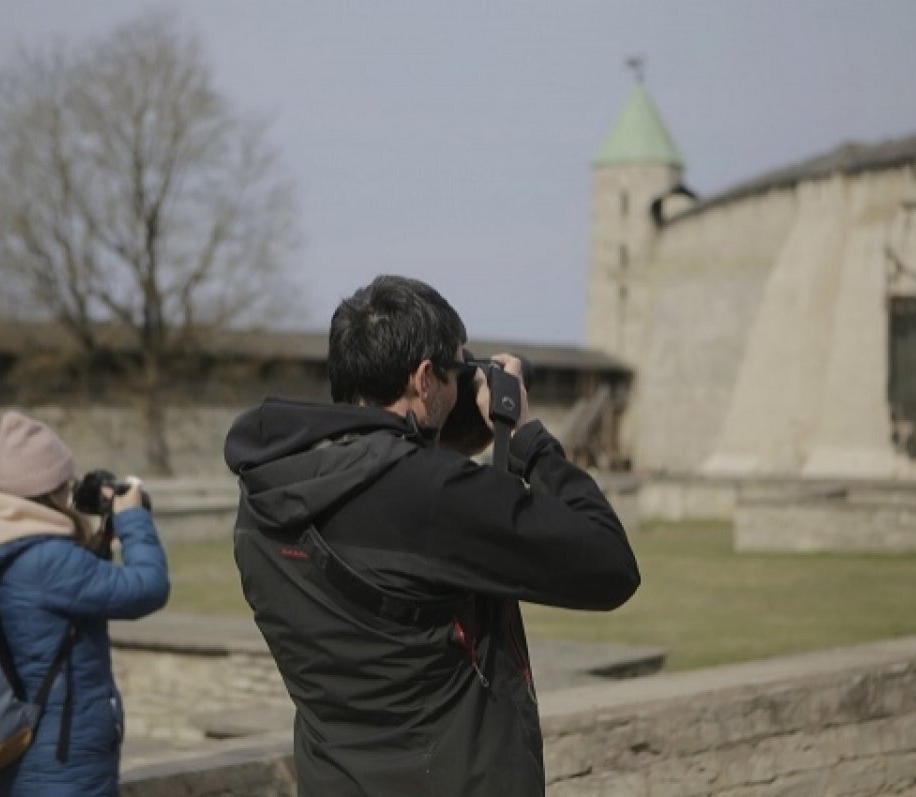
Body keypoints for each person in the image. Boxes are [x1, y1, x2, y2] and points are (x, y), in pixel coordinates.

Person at [225, 275, 640, 796]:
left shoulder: (263, 499)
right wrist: (528, 436)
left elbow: (384, 487)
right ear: (424, 378)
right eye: (457, 371)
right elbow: (609, 564)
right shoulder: (436, 498)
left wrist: (456, 434)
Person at [0, 410, 170, 796]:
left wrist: (98, 541)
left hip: (7, 744)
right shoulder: (47, 560)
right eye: (65, 483)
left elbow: (63, 603)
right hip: (62, 759)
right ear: (48, 487)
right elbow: (148, 587)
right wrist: (132, 519)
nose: (69, 492)